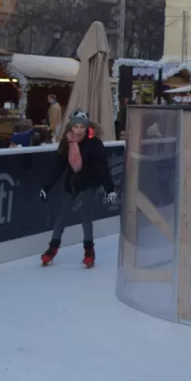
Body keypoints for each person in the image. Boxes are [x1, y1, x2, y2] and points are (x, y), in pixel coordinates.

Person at [39, 110, 117, 268]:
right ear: (71, 127)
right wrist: (46, 186)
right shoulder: (66, 142)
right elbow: (59, 167)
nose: (79, 130)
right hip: (72, 183)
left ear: (87, 127)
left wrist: (110, 189)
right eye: (76, 126)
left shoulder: (94, 143)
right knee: (62, 214)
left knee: (85, 214)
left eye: (82, 126)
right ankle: (52, 248)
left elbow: (101, 167)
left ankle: (89, 250)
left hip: (89, 183)